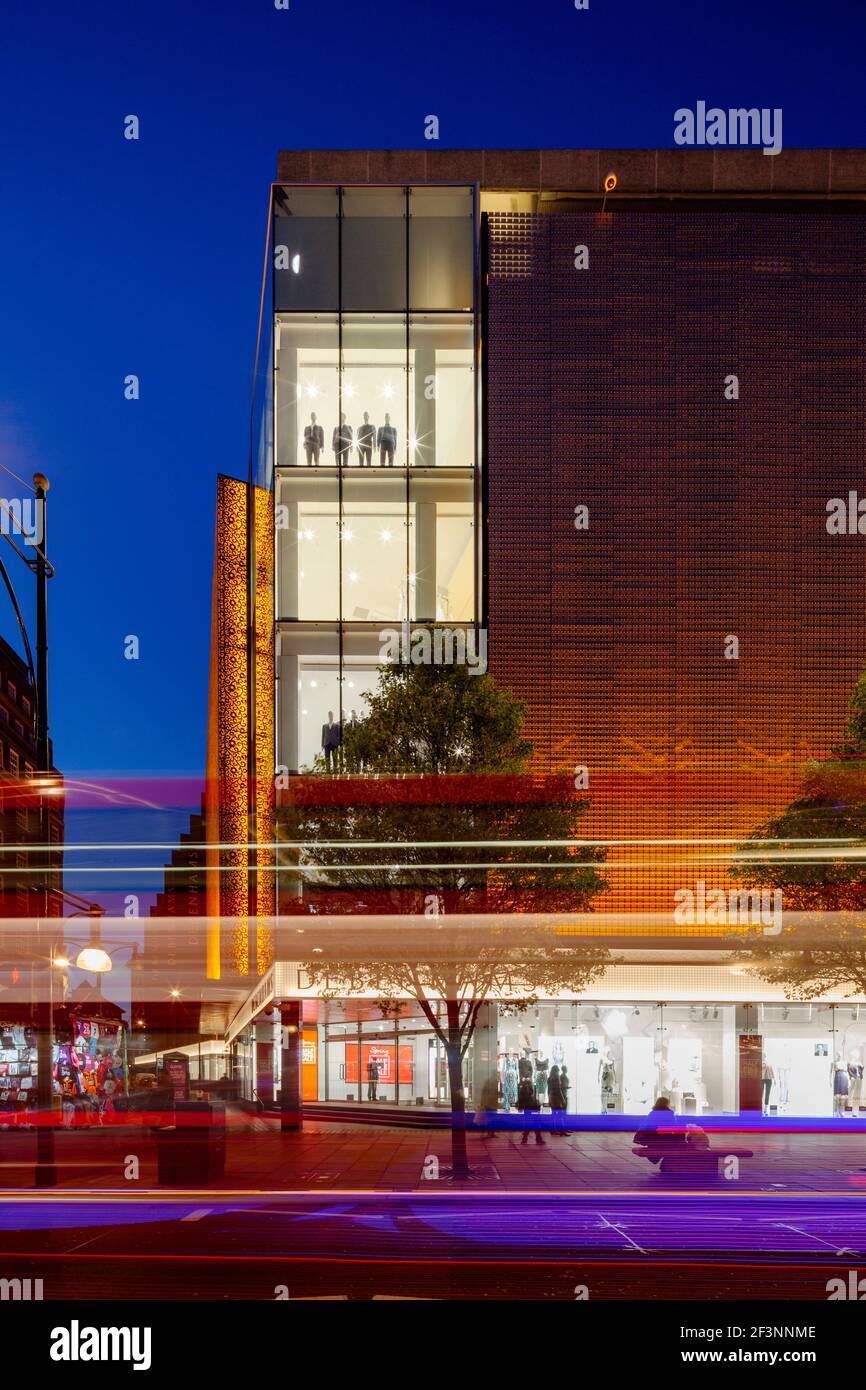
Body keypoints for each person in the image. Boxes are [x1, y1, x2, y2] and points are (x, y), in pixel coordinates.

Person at [633, 1096, 686, 1170]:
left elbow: (645, 1126)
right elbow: (673, 1126)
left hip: (652, 1139)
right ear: (667, 1104)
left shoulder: (652, 1113)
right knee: (679, 1135)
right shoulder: (670, 1113)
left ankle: (657, 1158)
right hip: (664, 1139)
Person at [518, 1074, 545, 1146]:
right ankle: (537, 1139)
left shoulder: (523, 1086)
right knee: (535, 1123)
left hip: (527, 1108)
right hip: (531, 1107)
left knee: (529, 1123)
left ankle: (526, 1139)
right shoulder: (529, 1085)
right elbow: (531, 1095)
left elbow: (521, 1098)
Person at [474, 1075, 500, 1139]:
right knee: (489, 1120)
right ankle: (489, 1133)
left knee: (491, 1120)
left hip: (492, 1105)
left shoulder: (492, 1086)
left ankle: (491, 1133)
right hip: (489, 1105)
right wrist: (483, 1104)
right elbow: (484, 1096)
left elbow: (486, 1095)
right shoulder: (489, 1087)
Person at [547, 1063, 567, 1134]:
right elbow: (559, 1089)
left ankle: (553, 1130)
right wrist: (563, 1099)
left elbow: (548, 1090)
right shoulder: (557, 1077)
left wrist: (549, 1098)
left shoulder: (550, 1077)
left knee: (553, 1115)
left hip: (552, 1097)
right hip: (557, 1098)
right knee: (560, 1114)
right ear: (557, 1070)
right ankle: (562, 1130)